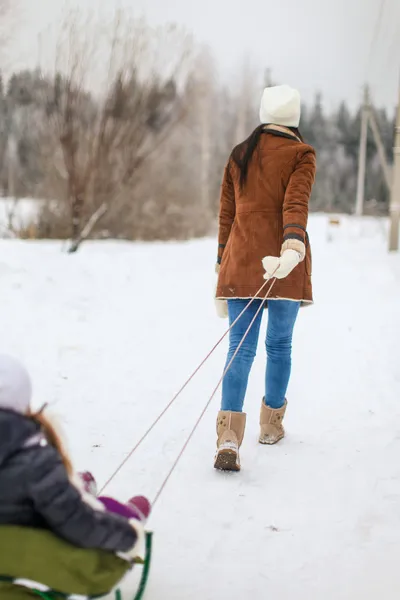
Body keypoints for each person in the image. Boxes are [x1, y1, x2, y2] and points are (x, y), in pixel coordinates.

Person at [214, 84, 317, 472]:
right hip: (285, 266)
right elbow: (296, 204)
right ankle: (271, 426)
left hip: (241, 263)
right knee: (279, 346)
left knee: (239, 349)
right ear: (295, 118)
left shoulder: (240, 153)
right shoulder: (301, 153)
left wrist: (221, 261)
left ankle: (227, 436)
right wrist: (292, 245)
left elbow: (227, 215)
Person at [0, 353, 150, 596]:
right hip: (32, 555)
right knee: (96, 508)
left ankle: (80, 486)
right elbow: (78, 522)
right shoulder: (36, 463)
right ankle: (127, 514)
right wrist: (129, 536)